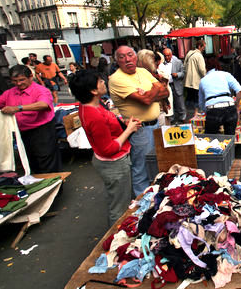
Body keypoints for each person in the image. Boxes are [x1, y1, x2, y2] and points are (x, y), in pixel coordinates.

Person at [69, 70, 141, 225]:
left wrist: (125, 125)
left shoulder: (92, 105)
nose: (104, 82)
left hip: (111, 161)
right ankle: (115, 241)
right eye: (100, 81)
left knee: (120, 199)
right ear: (93, 91)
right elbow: (109, 148)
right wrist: (129, 130)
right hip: (114, 164)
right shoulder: (93, 115)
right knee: (119, 207)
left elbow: (109, 130)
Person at [109, 46, 169, 196]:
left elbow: (165, 91)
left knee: (157, 165)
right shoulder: (117, 79)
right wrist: (156, 88)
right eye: (122, 57)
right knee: (141, 169)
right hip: (141, 129)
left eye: (130, 55)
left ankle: (155, 198)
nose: (127, 59)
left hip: (156, 124)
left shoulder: (142, 72)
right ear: (117, 61)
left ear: (136, 57)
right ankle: (141, 206)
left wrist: (151, 92)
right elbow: (147, 99)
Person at [0, 65, 62, 173]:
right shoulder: (10, 93)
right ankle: (39, 183)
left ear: (30, 77)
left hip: (42, 131)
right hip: (23, 132)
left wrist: (18, 108)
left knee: (46, 160)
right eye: (15, 81)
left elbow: (43, 104)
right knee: (31, 160)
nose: (19, 83)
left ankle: (55, 186)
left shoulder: (40, 90)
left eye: (21, 80)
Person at [198, 66, 241, 135]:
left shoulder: (203, 80)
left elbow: (201, 103)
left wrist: (206, 111)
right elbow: (239, 90)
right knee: (230, 137)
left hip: (212, 109)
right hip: (230, 107)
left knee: (211, 138)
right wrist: (236, 106)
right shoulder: (225, 74)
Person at [162, 48, 186, 124]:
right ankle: (171, 118)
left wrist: (177, 75)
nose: (167, 58)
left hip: (176, 84)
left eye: (168, 56)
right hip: (167, 86)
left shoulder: (178, 62)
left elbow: (183, 73)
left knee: (180, 102)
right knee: (169, 102)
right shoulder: (162, 63)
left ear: (171, 55)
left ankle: (182, 117)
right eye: (165, 56)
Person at [184, 40, 207, 115]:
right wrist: (206, 77)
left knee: (189, 97)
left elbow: (184, 65)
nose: (204, 49)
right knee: (196, 97)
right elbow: (202, 69)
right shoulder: (199, 55)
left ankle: (188, 113)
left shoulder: (189, 53)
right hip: (196, 80)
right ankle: (196, 112)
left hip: (188, 80)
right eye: (203, 47)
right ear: (200, 46)